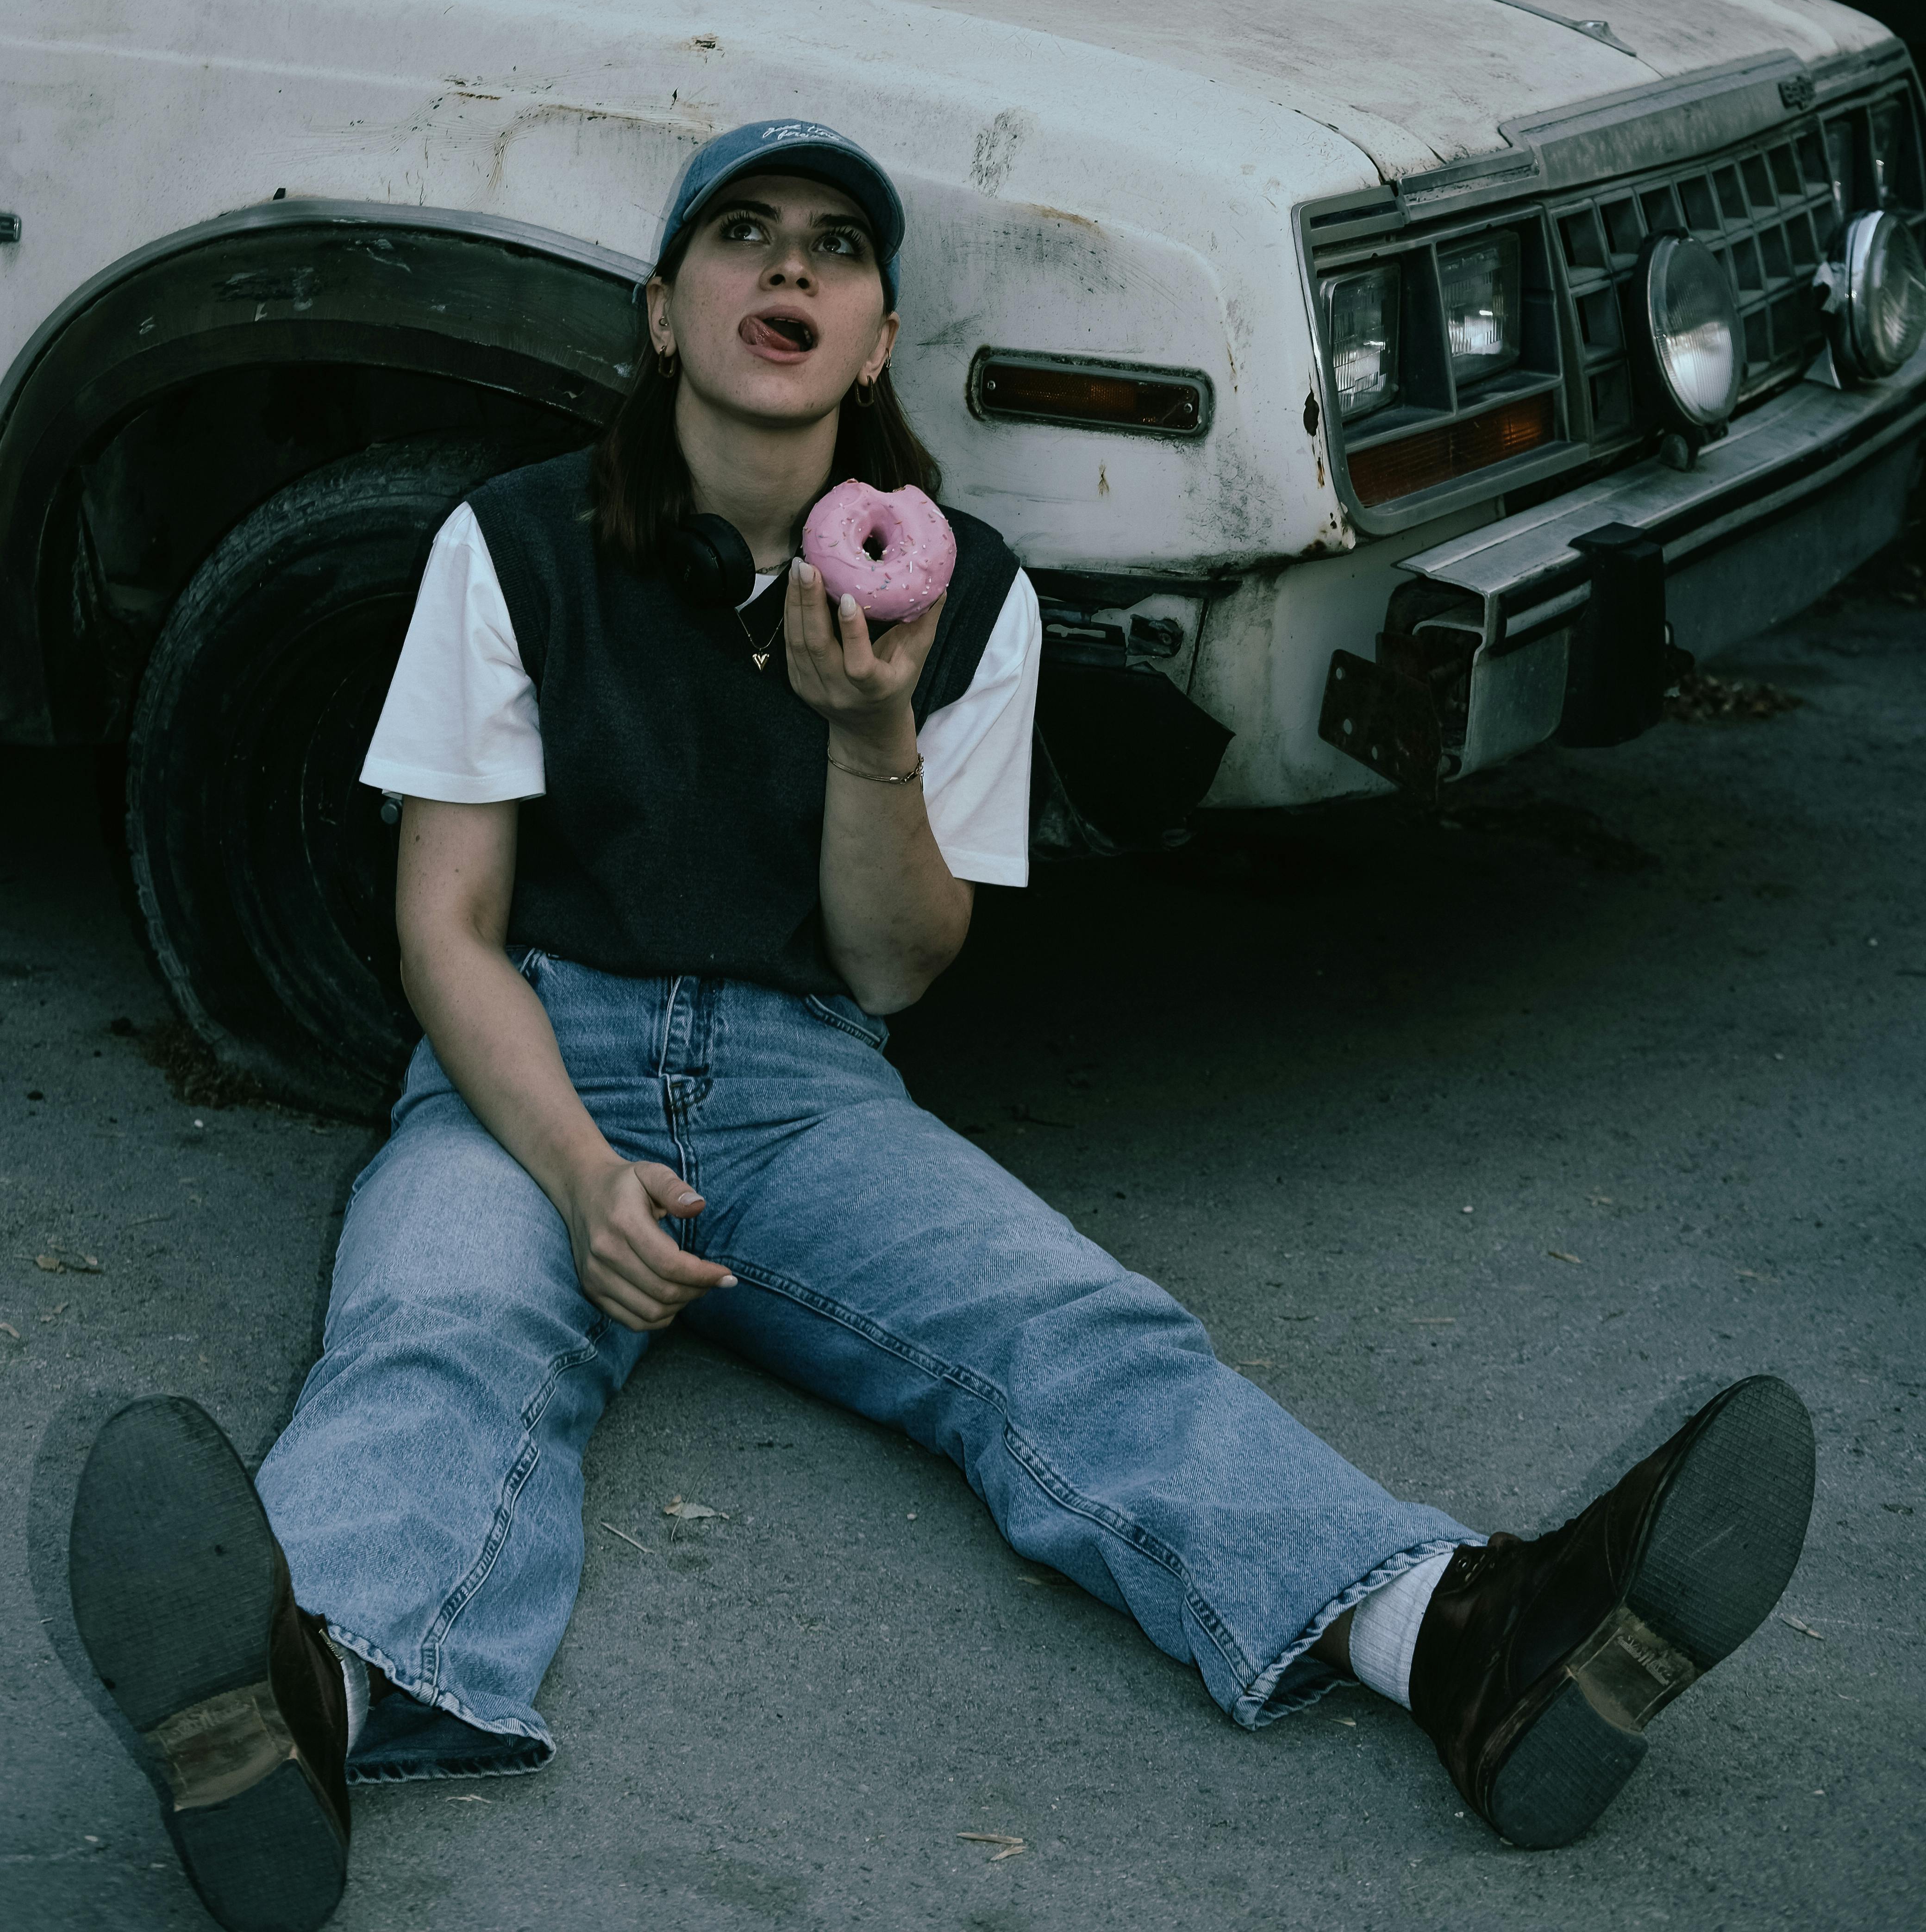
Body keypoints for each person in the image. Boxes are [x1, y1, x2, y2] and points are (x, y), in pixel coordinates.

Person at [67, 119, 1817, 1932]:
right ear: (665, 313)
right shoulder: (505, 549)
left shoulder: (966, 596)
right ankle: (302, 1703)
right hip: (532, 1068)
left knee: (1071, 1330)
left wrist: (865, 730)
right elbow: (445, 930)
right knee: (434, 1327)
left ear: (877, 336)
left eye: (836, 247)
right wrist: (579, 1173)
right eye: (741, 236)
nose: (790, 270)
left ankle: (1450, 1636)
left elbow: (895, 969)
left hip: (801, 1087)